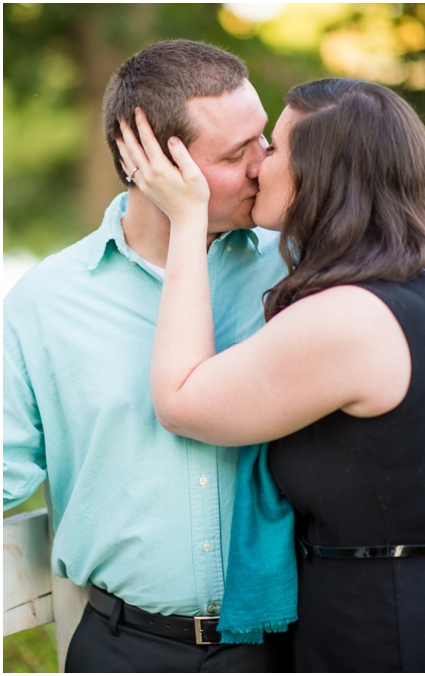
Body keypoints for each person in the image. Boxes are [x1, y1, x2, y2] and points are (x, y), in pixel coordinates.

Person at [116, 76, 425, 672]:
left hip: (379, 622)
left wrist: (186, 221)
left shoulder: (347, 316)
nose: (258, 165)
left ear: (321, 176)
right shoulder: (419, 281)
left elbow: (181, 399)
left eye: (275, 148)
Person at [3, 40, 288, 671]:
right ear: (154, 165)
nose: (264, 165)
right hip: (123, 647)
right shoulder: (44, 304)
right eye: (237, 153)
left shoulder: (293, 268)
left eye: (263, 139)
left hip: (287, 639)